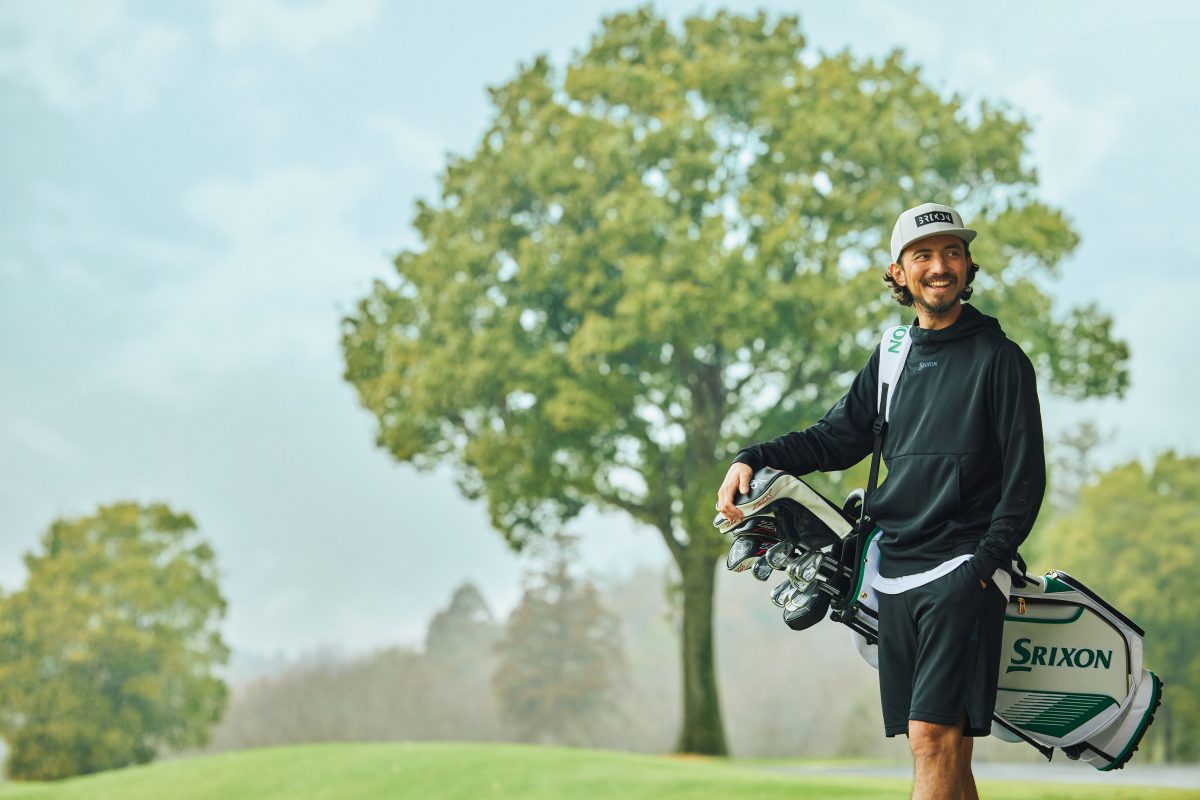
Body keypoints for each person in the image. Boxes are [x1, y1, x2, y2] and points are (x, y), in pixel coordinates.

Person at [716, 202, 1045, 800]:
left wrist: (982, 567)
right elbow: (833, 438)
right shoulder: (892, 356)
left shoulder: (1001, 361)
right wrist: (753, 456)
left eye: (952, 253)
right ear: (898, 272)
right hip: (894, 570)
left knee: (930, 738)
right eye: (923, 255)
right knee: (949, 750)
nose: (940, 266)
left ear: (969, 266)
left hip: (962, 570)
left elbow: (1026, 481)